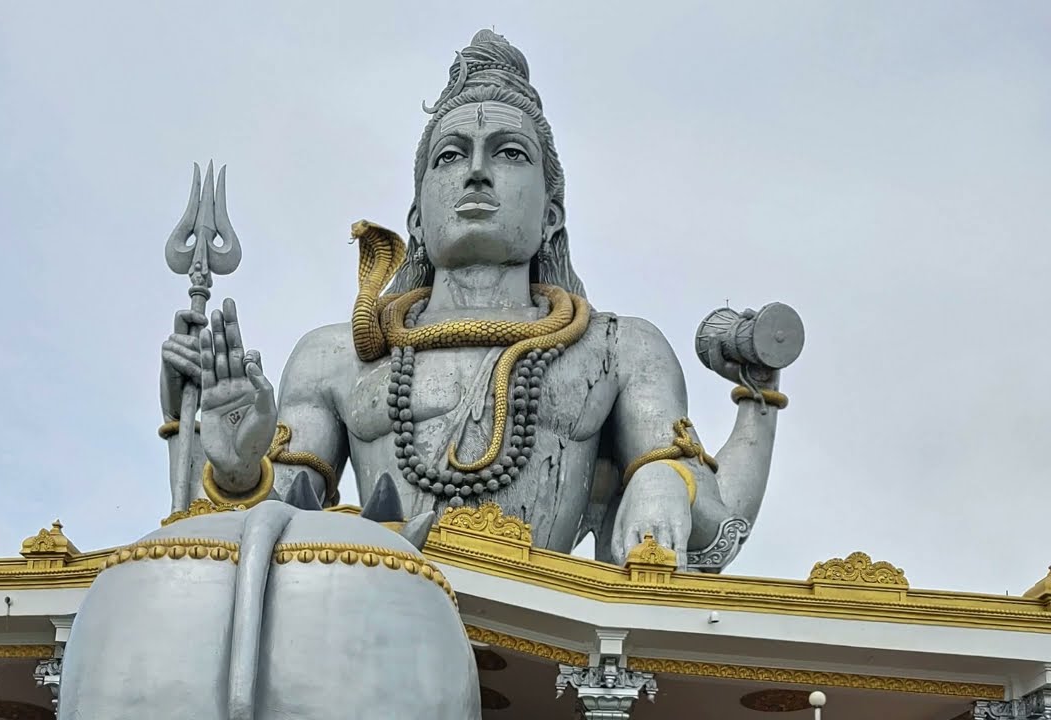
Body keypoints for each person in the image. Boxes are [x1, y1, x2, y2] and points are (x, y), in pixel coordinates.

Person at [160, 30, 787, 566]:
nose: (477, 172)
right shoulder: (337, 358)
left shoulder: (618, 348)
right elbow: (261, 537)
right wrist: (237, 469)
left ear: (551, 214)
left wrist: (668, 474)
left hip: (541, 637)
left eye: (509, 153)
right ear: (417, 216)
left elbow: (712, 519)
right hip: (374, 623)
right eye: (450, 156)